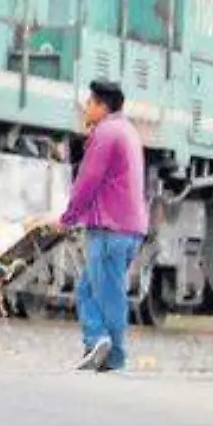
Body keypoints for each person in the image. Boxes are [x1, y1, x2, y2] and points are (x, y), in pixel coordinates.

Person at [59, 78, 149, 372]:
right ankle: (99, 346)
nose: (85, 109)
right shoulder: (128, 131)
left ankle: (112, 353)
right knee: (88, 289)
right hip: (129, 227)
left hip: (111, 228)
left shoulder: (106, 133)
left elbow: (88, 180)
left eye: (89, 103)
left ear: (101, 106)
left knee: (107, 294)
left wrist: (68, 217)